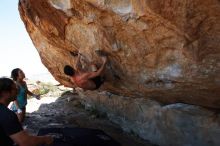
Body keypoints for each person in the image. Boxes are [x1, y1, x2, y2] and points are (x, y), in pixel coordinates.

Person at [0, 77, 53, 146]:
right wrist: (46, 139)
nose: (17, 90)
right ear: (5, 93)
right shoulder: (7, 115)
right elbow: (26, 142)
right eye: (14, 88)